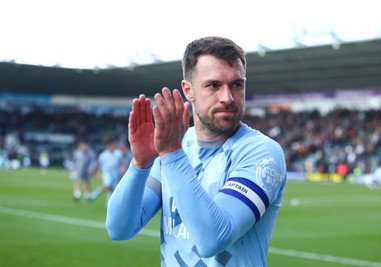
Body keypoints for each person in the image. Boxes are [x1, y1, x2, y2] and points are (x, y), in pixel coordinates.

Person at [106, 36, 287, 266]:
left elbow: (213, 239)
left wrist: (172, 154)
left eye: (236, 84)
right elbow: (119, 228)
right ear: (188, 90)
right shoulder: (174, 147)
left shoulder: (261, 152)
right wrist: (140, 164)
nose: (228, 97)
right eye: (213, 85)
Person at [89, 140, 122, 206]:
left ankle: (108, 203)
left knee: (113, 189)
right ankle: (93, 195)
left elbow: (120, 162)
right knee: (108, 186)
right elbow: (99, 164)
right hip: (107, 173)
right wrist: (97, 173)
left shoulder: (118, 153)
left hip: (115, 173)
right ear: (108, 147)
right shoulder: (103, 155)